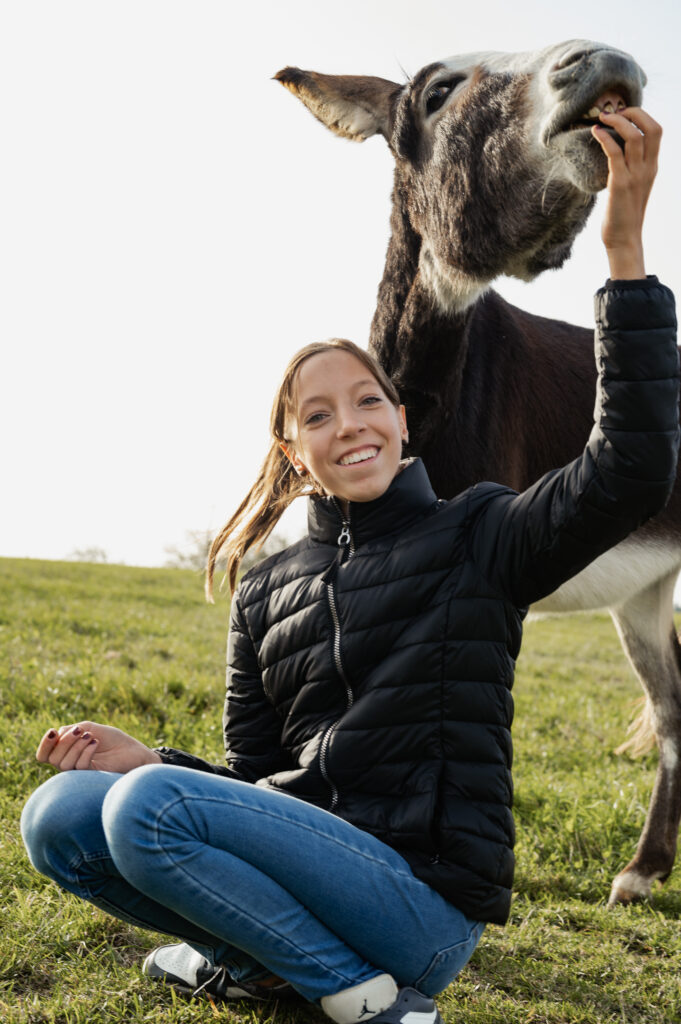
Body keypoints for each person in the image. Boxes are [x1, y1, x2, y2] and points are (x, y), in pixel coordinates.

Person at [21, 106, 679, 1024]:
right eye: (318, 415)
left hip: (421, 905)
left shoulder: (479, 535)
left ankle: (364, 999)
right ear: (293, 450)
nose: (351, 424)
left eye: (367, 400)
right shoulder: (265, 593)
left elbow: (629, 469)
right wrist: (152, 758)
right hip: (308, 866)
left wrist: (623, 253)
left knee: (143, 809)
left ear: (403, 419)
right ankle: (262, 964)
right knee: (58, 817)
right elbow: (254, 788)